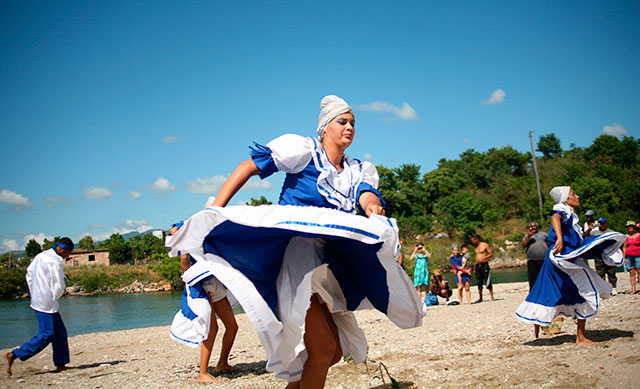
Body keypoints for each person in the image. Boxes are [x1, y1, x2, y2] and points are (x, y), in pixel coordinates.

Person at [165, 95, 422, 388]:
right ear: (325, 127)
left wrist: (372, 207)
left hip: (328, 263)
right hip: (297, 259)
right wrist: (213, 213)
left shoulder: (356, 169)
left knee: (332, 351)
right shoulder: (303, 150)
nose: (349, 127)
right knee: (323, 349)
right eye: (342, 121)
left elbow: (367, 194)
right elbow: (248, 166)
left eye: (353, 123)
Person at [515, 186, 625, 344]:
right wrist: (559, 238)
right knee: (581, 287)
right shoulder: (562, 209)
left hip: (570, 258)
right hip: (562, 258)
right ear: (566, 199)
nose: (577, 196)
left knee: (574, 291)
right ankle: (578, 336)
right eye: (573, 194)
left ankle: (580, 335)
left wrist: (586, 236)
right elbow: (555, 217)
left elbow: (574, 237)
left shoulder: (571, 215)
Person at [168, 224, 238, 383]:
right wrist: (183, 252)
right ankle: (203, 373)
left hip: (216, 284)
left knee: (232, 326)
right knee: (212, 329)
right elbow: (186, 270)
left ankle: (222, 363)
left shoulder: (207, 236)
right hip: (202, 286)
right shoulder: (188, 242)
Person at [5, 238, 74, 376]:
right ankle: (15, 354)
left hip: (39, 298)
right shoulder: (56, 261)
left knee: (60, 332)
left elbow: (29, 274)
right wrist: (55, 295)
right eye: (68, 253)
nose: (68, 256)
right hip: (47, 301)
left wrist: (34, 291)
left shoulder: (41, 256)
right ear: (61, 249)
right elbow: (59, 285)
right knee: (47, 333)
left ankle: (61, 364)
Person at [590, 217, 618, 295]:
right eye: (600, 223)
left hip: (609, 255)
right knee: (600, 273)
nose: (601, 225)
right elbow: (589, 240)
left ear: (606, 223)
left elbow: (615, 244)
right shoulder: (594, 232)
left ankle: (613, 288)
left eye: (603, 223)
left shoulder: (611, 232)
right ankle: (602, 289)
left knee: (611, 272)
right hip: (598, 255)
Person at [521, 222, 548, 289]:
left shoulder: (544, 234)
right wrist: (529, 236)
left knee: (544, 278)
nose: (533, 227)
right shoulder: (526, 236)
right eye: (531, 226)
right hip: (532, 261)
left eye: (535, 226)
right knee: (532, 279)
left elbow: (550, 244)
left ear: (537, 227)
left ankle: (544, 293)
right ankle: (533, 295)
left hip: (543, 260)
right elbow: (523, 245)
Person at [470, 234, 495, 302]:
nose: (472, 242)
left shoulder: (485, 245)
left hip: (484, 264)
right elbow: (477, 256)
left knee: (487, 280)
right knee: (479, 281)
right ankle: (480, 297)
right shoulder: (475, 247)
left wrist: (484, 258)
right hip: (477, 265)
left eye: (473, 240)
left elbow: (491, 254)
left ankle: (492, 296)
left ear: (476, 239)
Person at [624, 221, 640, 294]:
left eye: (631, 226)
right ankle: (633, 289)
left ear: (634, 227)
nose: (629, 227)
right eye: (628, 226)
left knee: (639, 272)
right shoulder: (625, 236)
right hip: (629, 257)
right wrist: (623, 257)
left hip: (638, 256)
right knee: (631, 272)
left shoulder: (639, 235)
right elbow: (624, 247)